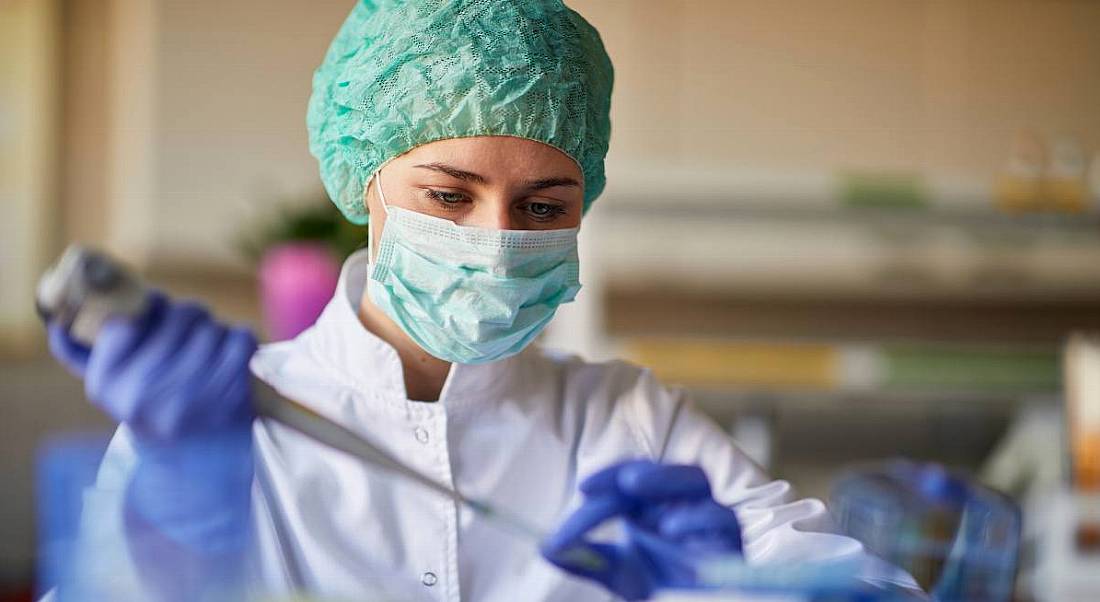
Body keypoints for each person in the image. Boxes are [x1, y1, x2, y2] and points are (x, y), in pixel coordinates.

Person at [45, 1, 920, 600]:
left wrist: (731, 591)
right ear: (366, 182)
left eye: (543, 207)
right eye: (449, 197)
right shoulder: (220, 421)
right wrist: (176, 509)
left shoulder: (625, 421)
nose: (499, 237)